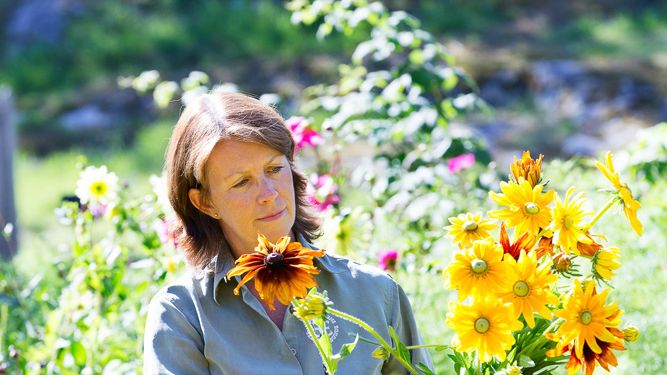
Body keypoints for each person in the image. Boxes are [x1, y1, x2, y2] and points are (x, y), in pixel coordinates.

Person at [143, 92, 432, 374]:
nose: (269, 194)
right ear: (205, 202)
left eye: (274, 169)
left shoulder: (375, 293)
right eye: (242, 182)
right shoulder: (182, 316)